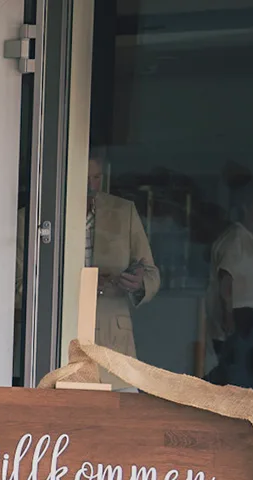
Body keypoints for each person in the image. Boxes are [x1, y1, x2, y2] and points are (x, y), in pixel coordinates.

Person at [87, 150, 160, 386]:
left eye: (96, 178)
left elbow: (151, 274)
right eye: (84, 178)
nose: (91, 186)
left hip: (113, 342)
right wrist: (75, 285)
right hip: (57, 334)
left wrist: (138, 283)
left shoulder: (123, 212)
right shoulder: (39, 215)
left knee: (120, 416)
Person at [206, 180, 253, 391]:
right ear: (246, 206)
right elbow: (227, 278)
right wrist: (228, 317)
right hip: (240, 316)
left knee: (250, 377)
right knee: (238, 380)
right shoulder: (235, 239)